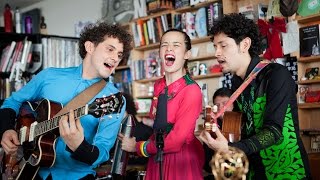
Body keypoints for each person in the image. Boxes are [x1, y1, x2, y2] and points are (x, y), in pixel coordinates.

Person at [0, 22, 133, 179]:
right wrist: (7, 129)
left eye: (119, 54)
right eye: (110, 49)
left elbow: (102, 152)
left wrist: (79, 146)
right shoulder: (49, 76)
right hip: (32, 170)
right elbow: (12, 102)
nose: (115, 58)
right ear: (90, 47)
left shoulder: (115, 100)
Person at [199, 13, 311, 179]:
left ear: (245, 44)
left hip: (286, 171)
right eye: (215, 46)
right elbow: (243, 128)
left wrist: (230, 148)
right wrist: (216, 129)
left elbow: (273, 131)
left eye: (223, 46)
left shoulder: (276, 75)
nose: (217, 53)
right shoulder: (237, 82)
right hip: (254, 171)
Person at [119, 29, 205, 180]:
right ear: (159, 52)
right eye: (164, 45)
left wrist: (137, 147)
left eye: (176, 45)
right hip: (157, 157)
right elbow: (158, 123)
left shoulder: (192, 91)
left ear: (187, 54)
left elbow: (177, 140)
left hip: (180, 160)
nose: (169, 48)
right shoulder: (158, 85)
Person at [203, 87, 234, 180]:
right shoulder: (213, 124)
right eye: (217, 104)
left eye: (225, 103)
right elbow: (207, 160)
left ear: (234, 104)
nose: (221, 107)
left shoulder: (242, 121)